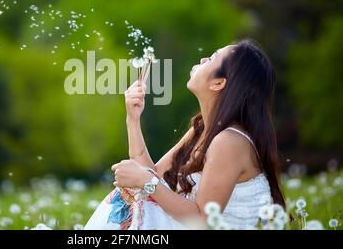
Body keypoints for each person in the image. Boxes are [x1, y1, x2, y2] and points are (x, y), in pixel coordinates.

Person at [84, 39, 285, 230]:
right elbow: (153, 173)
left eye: (212, 58)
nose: (203, 60)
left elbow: (203, 221)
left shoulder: (230, 142)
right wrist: (133, 119)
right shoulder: (203, 130)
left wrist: (145, 181)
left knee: (131, 194)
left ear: (218, 83)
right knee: (133, 192)